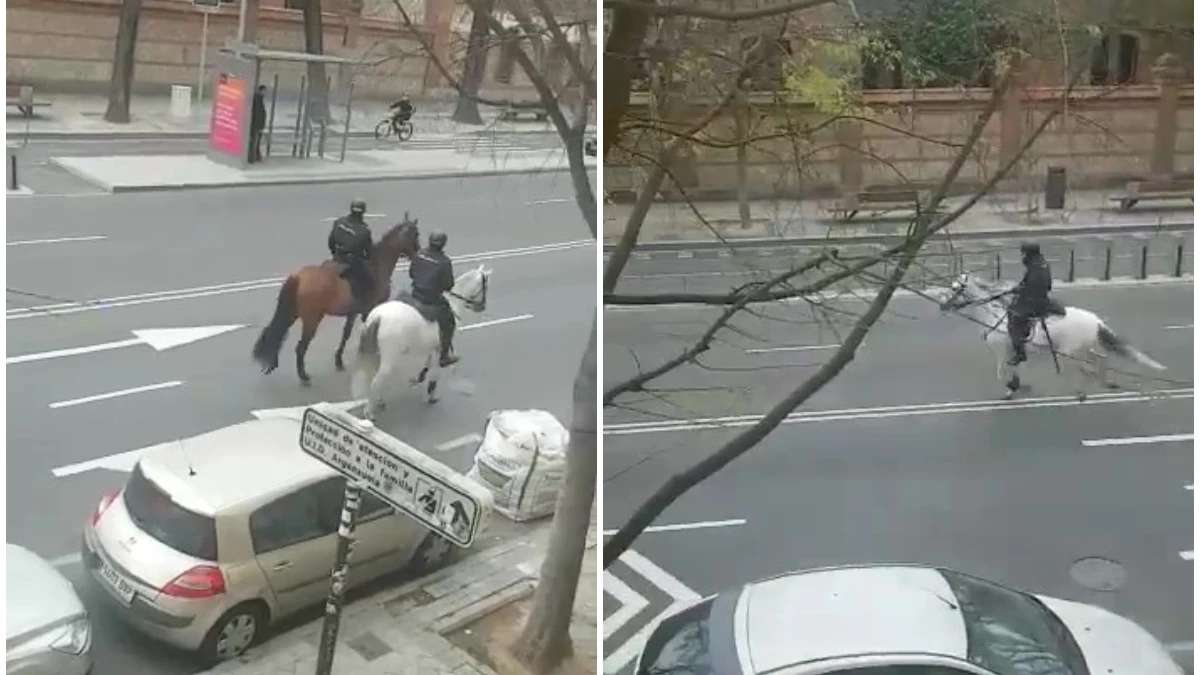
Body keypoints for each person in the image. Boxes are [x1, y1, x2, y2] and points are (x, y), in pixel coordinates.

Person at [409, 231, 459, 367]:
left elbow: (411, 273)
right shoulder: (444, 262)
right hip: (431, 299)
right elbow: (448, 285)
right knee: (449, 322)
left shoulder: (419, 254)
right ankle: (443, 357)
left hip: (415, 294)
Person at [1007, 241, 1053, 364]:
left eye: (1024, 253)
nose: (1023, 256)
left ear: (1029, 253)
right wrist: (1020, 287)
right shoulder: (1040, 263)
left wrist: (1019, 291)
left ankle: (1020, 353)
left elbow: (1032, 287)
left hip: (1035, 302)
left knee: (1014, 320)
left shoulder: (1035, 267)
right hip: (1040, 298)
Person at [328, 200, 374, 313]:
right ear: (362, 212)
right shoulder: (364, 230)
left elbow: (331, 241)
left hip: (337, 258)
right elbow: (368, 252)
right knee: (369, 281)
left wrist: (335, 254)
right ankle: (363, 305)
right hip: (351, 262)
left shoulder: (339, 222)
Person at [249, 85, 267, 163]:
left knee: (256, 141)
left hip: (258, 124)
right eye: (264, 91)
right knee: (254, 141)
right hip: (256, 124)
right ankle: (253, 157)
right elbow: (258, 113)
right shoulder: (258, 99)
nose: (265, 93)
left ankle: (256, 156)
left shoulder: (259, 99)